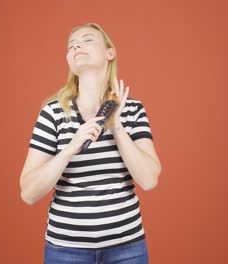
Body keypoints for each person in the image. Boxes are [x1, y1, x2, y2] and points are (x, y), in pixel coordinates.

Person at [20, 22, 161, 264]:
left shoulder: (133, 110)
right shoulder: (53, 113)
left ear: (110, 52)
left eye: (87, 40)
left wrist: (117, 127)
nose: (76, 46)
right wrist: (70, 148)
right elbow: (29, 193)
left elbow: (149, 179)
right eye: (71, 45)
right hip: (65, 251)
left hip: (127, 249)